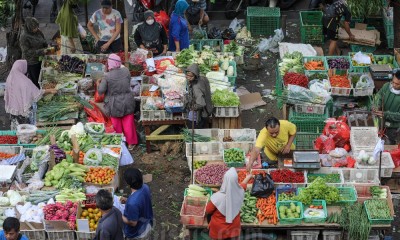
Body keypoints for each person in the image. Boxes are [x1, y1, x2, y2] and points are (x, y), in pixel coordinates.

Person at [97, 54, 138, 150]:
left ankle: (119, 143)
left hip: (113, 104)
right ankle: (131, 143)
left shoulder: (107, 76)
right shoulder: (126, 71)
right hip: (128, 101)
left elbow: (101, 91)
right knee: (128, 123)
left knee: (116, 125)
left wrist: (98, 83)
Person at [4, 60, 57, 129]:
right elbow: (36, 93)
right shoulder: (23, 80)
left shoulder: (10, 78)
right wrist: (50, 91)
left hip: (13, 111)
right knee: (26, 130)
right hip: (23, 112)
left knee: (18, 129)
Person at [206, 167, 252, 240]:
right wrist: (248, 177)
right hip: (234, 230)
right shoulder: (239, 192)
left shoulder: (217, 197)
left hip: (218, 231)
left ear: (225, 181)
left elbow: (208, 210)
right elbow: (242, 186)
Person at [121, 168, 153, 240]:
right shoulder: (145, 187)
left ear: (128, 183)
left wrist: (120, 216)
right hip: (146, 224)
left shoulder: (132, 203)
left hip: (137, 233)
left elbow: (133, 223)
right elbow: (142, 201)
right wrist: (127, 200)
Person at [19, 17, 49, 89]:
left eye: (37, 27)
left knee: (42, 75)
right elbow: (26, 52)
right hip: (32, 61)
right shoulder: (24, 37)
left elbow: (43, 40)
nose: (36, 29)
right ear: (29, 27)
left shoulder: (37, 31)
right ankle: (36, 93)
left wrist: (47, 45)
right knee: (35, 80)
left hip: (41, 57)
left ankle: (42, 89)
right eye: (34, 28)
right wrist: (41, 51)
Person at [373, 71, 400, 144]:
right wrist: (377, 105)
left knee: (389, 144)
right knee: (377, 141)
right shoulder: (387, 86)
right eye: (393, 82)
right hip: (381, 121)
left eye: (397, 84)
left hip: (394, 127)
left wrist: (385, 114)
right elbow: (379, 96)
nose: (394, 85)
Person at [184, 63, 213, 129]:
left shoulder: (196, 87)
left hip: (198, 115)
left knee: (195, 131)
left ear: (195, 76)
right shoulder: (203, 78)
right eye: (187, 75)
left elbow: (201, 103)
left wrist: (193, 107)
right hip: (207, 111)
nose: (188, 78)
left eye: (191, 76)